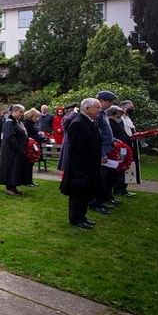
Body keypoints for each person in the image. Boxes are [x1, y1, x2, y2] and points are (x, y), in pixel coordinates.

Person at [60, 98, 103, 229]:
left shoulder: (89, 122)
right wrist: (79, 170)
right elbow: (75, 149)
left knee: (85, 193)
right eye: (97, 107)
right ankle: (76, 218)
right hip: (80, 168)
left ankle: (82, 216)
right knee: (78, 193)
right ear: (87, 108)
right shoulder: (78, 123)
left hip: (89, 165)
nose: (99, 110)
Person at [89, 90, 118, 214]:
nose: (111, 104)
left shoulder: (103, 114)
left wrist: (113, 140)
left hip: (105, 148)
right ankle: (95, 203)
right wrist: (102, 153)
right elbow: (97, 135)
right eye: (109, 102)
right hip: (101, 151)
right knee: (99, 179)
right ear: (101, 101)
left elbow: (107, 133)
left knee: (104, 179)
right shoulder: (98, 115)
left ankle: (100, 202)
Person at [0, 104, 27, 196]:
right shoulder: (9, 122)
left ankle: (14, 187)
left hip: (17, 151)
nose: (22, 114)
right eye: (20, 112)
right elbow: (10, 137)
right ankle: (9, 188)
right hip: (11, 152)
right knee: (11, 169)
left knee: (15, 170)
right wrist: (18, 148)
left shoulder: (17, 121)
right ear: (14, 111)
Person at [116, 100, 138, 196]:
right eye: (130, 107)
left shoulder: (128, 118)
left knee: (127, 166)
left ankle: (123, 188)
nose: (132, 109)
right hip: (122, 145)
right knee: (122, 166)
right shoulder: (119, 119)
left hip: (130, 145)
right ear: (123, 107)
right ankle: (118, 188)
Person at [22, 108, 43, 188]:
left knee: (30, 165)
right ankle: (27, 181)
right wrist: (39, 136)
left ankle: (29, 180)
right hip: (29, 148)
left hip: (32, 146)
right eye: (36, 117)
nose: (37, 119)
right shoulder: (27, 124)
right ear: (31, 116)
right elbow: (28, 136)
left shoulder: (30, 124)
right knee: (28, 165)